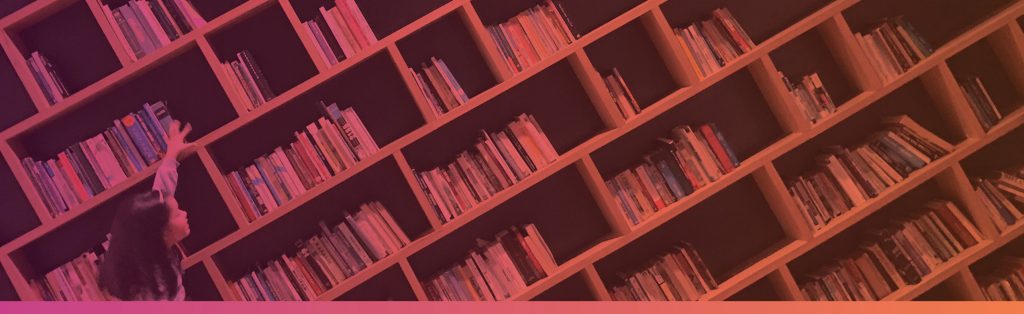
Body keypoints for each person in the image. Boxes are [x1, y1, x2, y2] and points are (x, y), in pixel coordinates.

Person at [98, 120, 196, 301]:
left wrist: (172, 155)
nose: (184, 213)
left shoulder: (151, 249)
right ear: (161, 232)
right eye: (177, 214)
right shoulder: (150, 289)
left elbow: (162, 192)